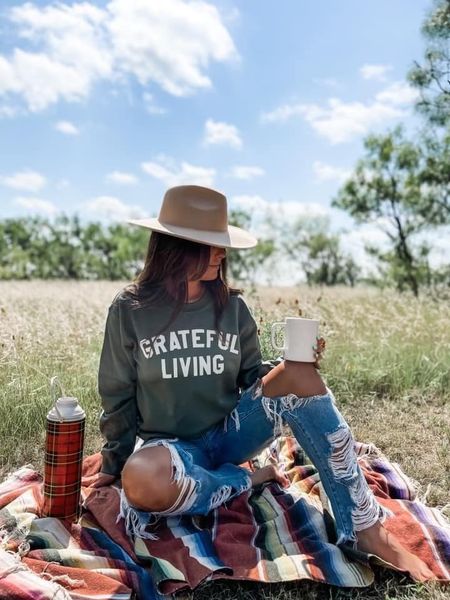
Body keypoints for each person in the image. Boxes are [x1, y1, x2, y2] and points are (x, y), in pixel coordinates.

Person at [93, 184, 433, 581]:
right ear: (179, 247)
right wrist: (114, 462)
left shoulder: (232, 307)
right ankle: (246, 479)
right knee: (139, 481)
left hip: (230, 434)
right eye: (211, 244)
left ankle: (362, 527)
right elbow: (117, 394)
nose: (222, 253)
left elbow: (254, 380)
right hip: (171, 450)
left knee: (299, 374)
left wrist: (294, 369)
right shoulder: (130, 309)